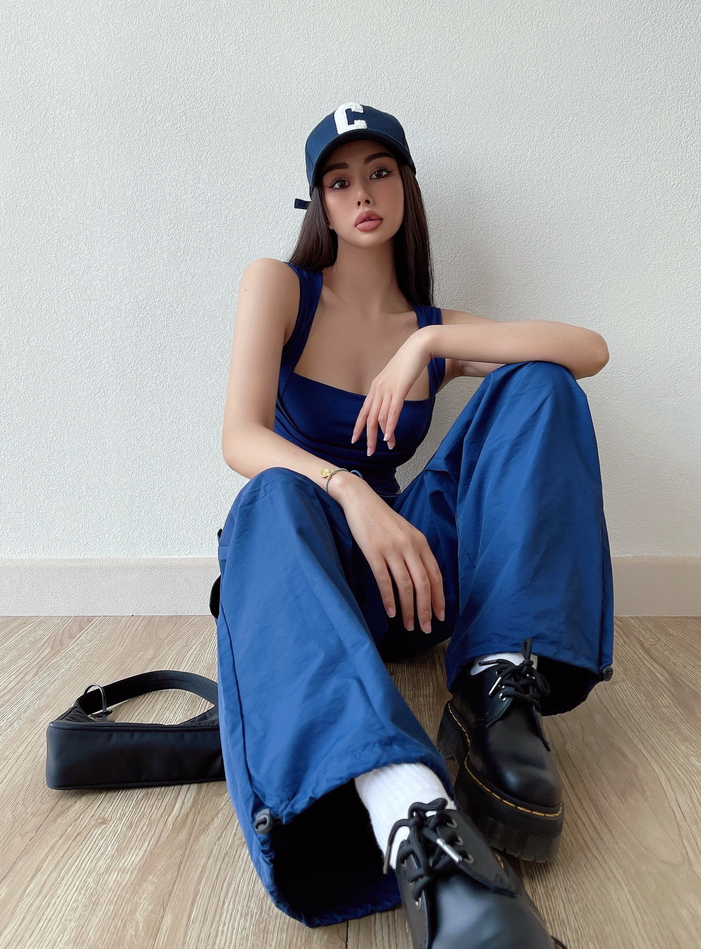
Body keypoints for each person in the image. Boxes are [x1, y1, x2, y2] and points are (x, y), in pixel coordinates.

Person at [213, 102, 613, 948]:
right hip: (319, 569)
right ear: (320, 205)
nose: (362, 193)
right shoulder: (279, 287)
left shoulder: (432, 330)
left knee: (540, 383)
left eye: (379, 172)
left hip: (414, 579)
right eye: (339, 181)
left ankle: (498, 686)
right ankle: (411, 815)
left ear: (406, 187)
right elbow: (240, 437)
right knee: (270, 498)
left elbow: (590, 349)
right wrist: (351, 494)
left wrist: (425, 348)